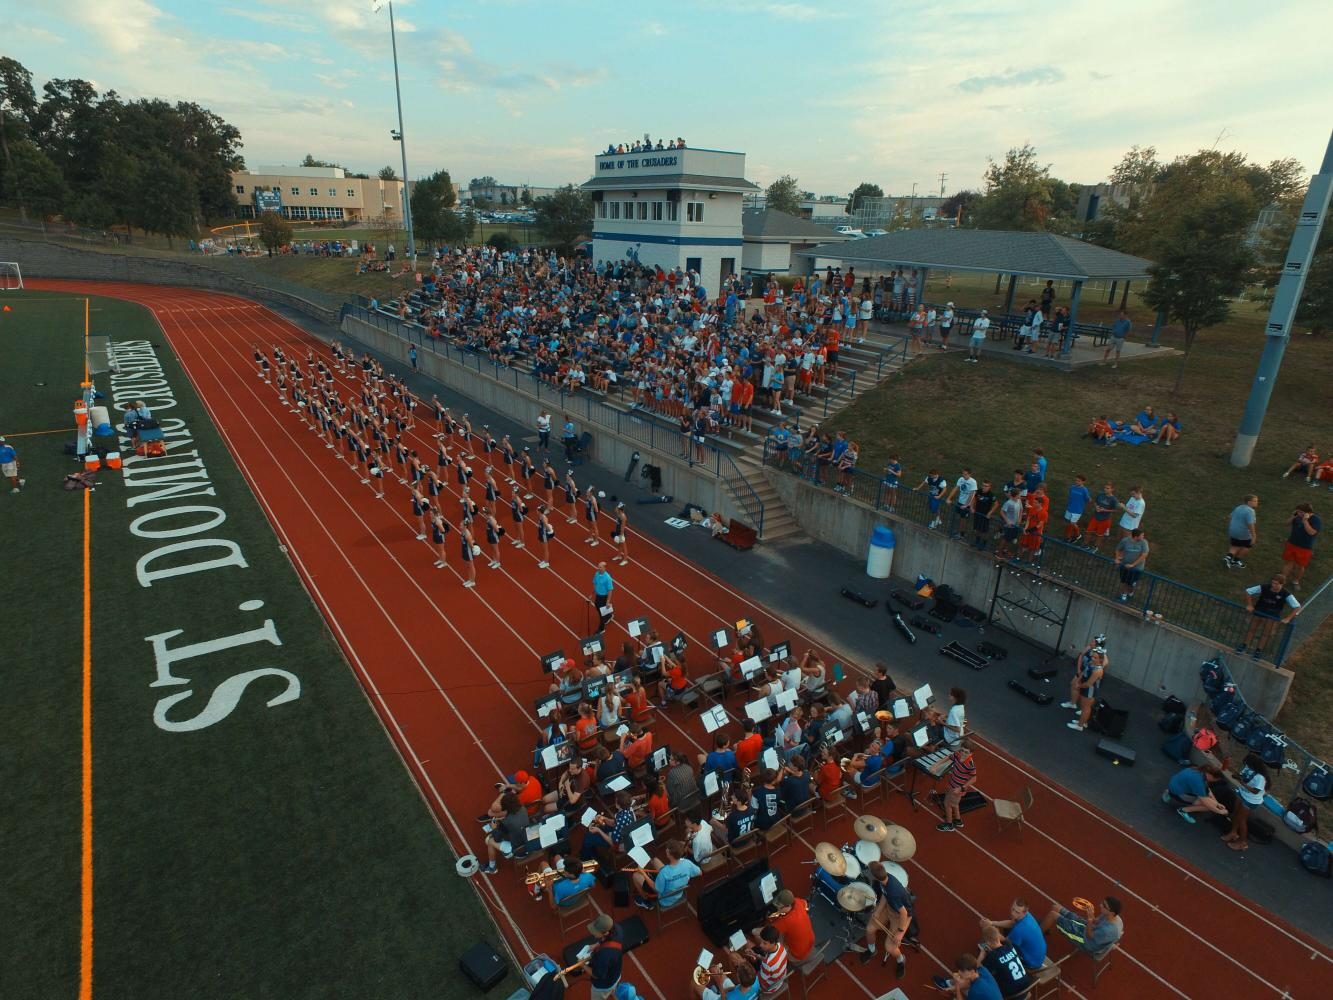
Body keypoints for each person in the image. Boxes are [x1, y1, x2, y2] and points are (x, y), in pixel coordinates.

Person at [854, 861, 914, 978]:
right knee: (870, 929)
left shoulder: (893, 891)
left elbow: (904, 913)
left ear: (875, 876)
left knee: (890, 947)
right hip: (889, 908)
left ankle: (901, 960)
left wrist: (899, 933)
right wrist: (877, 911)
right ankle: (872, 950)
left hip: (901, 917)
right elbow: (885, 896)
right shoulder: (885, 880)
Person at [1236, 574, 1302, 658]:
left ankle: (1258, 651)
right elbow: (1248, 591)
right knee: (1251, 629)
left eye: (1276, 584)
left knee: (1266, 633)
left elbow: (1297, 607)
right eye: (1273, 583)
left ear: (1282, 584)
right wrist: (1250, 605)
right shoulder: (1264, 587)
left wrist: (1288, 618)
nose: (1273, 585)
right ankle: (1244, 645)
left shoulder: (1286, 594)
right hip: (1259, 611)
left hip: (1272, 615)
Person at [1040, 896, 1123, 957]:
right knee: (1056, 908)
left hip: (1086, 942)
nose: (1100, 905)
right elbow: (1096, 922)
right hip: (1089, 928)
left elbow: (1089, 935)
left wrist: (1090, 918)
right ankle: (1044, 927)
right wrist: (1091, 916)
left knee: (1053, 915)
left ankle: (1036, 936)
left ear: (1112, 913)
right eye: (1102, 903)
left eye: (1104, 906)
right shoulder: (1113, 917)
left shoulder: (1107, 931)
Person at [632, 838, 701, 910]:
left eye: (667, 850)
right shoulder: (687, 863)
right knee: (655, 860)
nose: (666, 851)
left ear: (669, 855)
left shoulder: (664, 872)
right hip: (678, 892)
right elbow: (699, 872)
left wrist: (644, 874)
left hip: (664, 899)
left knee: (635, 875)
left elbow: (656, 889)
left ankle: (646, 901)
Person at [980, 897, 1047, 971]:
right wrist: (992, 923)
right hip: (1039, 956)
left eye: (1017, 912)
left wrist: (990, 929)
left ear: (1024, 912)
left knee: (997, 949)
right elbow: (1012, 923)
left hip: (1031, 963)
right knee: (1007, 930)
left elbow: (1005, 942)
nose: (1013, 913)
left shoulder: (1019, 930)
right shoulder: (1027, 915)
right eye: (1013, 909)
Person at [1224, 757, 1268, 852]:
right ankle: (1233, 832)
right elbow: (1241, 775)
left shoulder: (1260, 777)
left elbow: (1255, 791)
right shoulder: (1248, 767)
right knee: (1235, 814)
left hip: (1251, 800)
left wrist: (1243, 783)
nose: (1246, 766)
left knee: (1242, 820)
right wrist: (1235, 774)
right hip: (1242, 793)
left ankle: (1242, 842)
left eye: (1248, 764)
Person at [978, 923, 1032, 998]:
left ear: (988, 943)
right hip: (1027, 985)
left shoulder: (992, 956)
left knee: (985, 980)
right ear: (998, 937)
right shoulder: (1009, 945)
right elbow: (1004, 940)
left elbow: (978, 970)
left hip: (1014, 994)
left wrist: (981, 955)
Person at [1162, 764, 1229, 823]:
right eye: (1215, 780)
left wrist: (1217, 803)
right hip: (1177, 793)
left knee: (1211, 802)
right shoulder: (1198, 781)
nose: (1215, 781)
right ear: (1210, 775)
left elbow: (1207, 790)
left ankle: (1168, 792)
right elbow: (1205, 801)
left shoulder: (1198, 770)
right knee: (1208, 807)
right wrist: (1220, 811)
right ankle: (1183, 810)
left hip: (1173, 785)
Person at [1063, 642, 1107, 733]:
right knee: (1083, 706)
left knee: (1086, 707)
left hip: (1090, 690)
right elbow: (1084, 672)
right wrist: (1078, 680)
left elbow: (1088, 684)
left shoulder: (1098, 671)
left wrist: (1078, 685)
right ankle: (1081, 721)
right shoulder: (1092, 663)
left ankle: (1080, 725)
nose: (1092, 659)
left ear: (1100, 660)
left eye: (1095, 658)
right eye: (1093, 656)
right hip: (1085, 685)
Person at [766, 889, 816, 963]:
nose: (777, 909)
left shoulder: (786, 921)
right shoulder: (797, 902)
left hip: (797, 955)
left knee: (768, 939)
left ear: (788, 905)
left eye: (780, 907)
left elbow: (769, 931)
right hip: (810, 943)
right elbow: (805, 903)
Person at [937, 741, 977, 832]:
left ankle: (949, 825)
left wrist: (960, 788)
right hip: (953, 784)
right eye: (962, 750)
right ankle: (958, 821)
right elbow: (948, 757)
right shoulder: (957, 754)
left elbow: (974, 779)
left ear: (971, 753)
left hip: (957, 789)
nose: (963, 753)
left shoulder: (970, 765)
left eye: (966, 752)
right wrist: (936, 765)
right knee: (955, 804)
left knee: (947, 804)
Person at [1281, 503, 1320, 588]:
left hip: (1304, 547)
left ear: (1307, 513)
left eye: (1300, 512)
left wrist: (1305, 521)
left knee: (1300, 566)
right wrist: (1293, 516)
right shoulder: (1297, 516)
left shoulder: (1315, 520)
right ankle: (1281, 580)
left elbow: (1311, 532)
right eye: (1297, 512)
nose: (1298, 513)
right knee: (1288, 563)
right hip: (1292, 543)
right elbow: (1286, 523)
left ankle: (1295, 581)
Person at [933, 954, 1002, 1000]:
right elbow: (970, 982)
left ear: (972, 971)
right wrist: (952, 988)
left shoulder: (975, 991)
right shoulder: (983, 971)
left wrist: (957, 987)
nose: (959, 972)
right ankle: (949, 984)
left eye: (962, 971)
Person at [1113, 527, 1150, 603]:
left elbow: (1144, 555)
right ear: (1136, 537)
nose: (1143, 537)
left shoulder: (1144, 542)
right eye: (1142, 535)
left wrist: (1133, 565)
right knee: (1124, 581)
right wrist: (1117, 558)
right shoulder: (1125, 541)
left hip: (1137, 568)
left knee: (1131, 583)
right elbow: (1118, 549)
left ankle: (1130, 591)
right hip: (1125, 565)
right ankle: (1123, 594)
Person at [1226, 495, 1259, 569]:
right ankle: (1236, 561)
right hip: (1243, 532)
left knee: (1235, 545)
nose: (1257, 503)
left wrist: (1231, 527)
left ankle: (1228, 558)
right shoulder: (1250, 511)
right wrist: (1254, 536)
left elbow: (1230, 517)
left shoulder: (1239, 507)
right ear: (1249, 502)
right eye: (1255, 501)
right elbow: (1250, 524)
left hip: (1233, 530)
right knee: (1248, 545)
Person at [1062, 474, 1092, 543]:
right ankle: (1076, 535)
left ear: (1083, 482)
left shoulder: (1084, 490)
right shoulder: (1072, 487)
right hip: (1070, 508)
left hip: (1077, 510)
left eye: (1079, 481)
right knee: (1068, 523)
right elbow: (1070, 496)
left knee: (1072, 524)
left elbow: (1088, 499)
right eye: (1076, 480)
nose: (1076, 482)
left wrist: (1087, 501)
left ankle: (1069, 537)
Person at [593, 561, 615, 633]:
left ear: (605, 568)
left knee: (601, 614)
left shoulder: (608, 578)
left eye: (600, 567)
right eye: (598, 567)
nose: (598, 568)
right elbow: (595, 584)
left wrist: (608, 601)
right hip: (598, 596)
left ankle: (601, 629)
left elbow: (610, 590)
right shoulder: (596, 574)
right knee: (597, 607)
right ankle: (609, 616)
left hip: (603, 597)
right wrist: (592, 593)